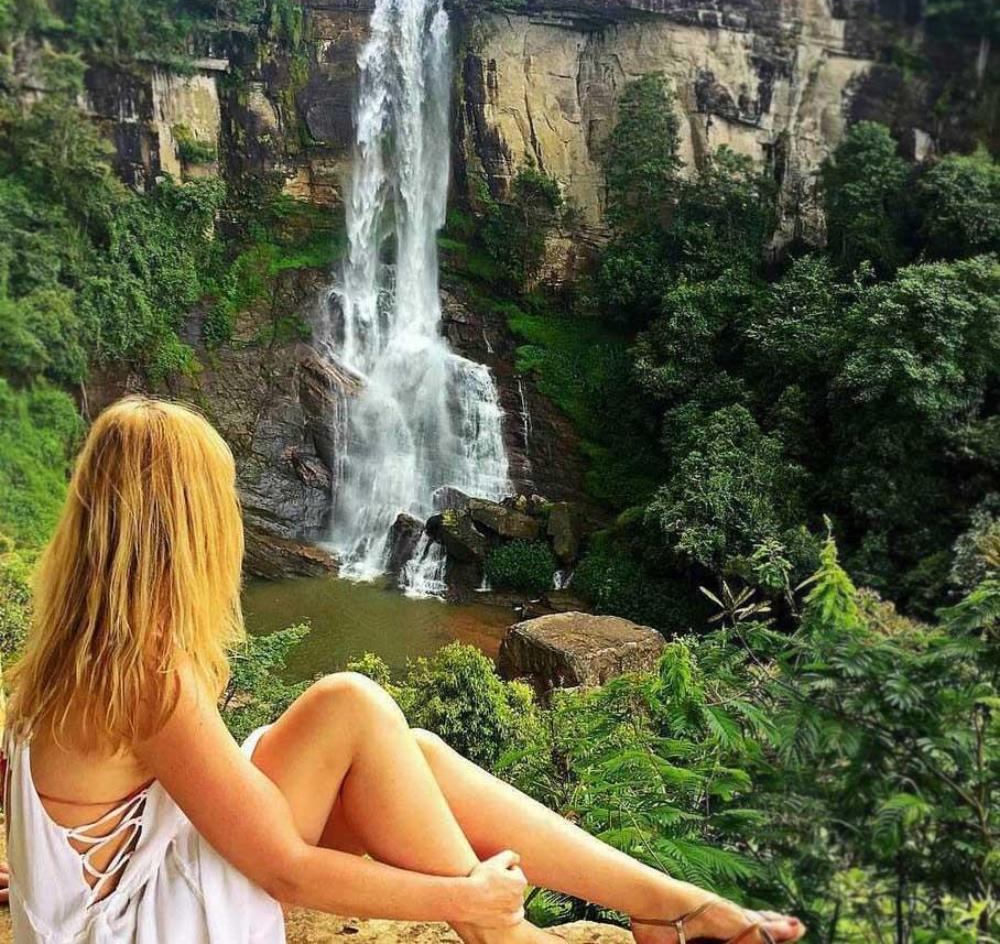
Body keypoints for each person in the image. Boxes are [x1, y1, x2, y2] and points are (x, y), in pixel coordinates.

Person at [2, 397, 806, 944]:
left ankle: (667, 904)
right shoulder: (146, 670)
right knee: (350, 704)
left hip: (125, 893)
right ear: (192, 525)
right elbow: (283, 868)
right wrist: (461, 897)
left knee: (408, 752)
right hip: (141, 926)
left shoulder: (76, 643)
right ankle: (506, 933)